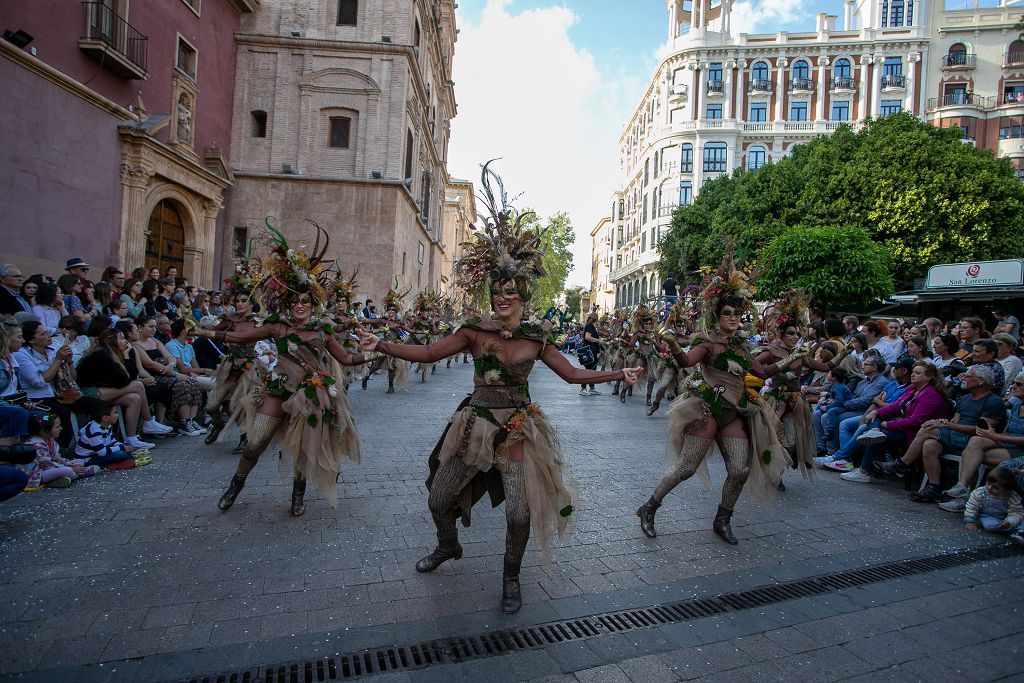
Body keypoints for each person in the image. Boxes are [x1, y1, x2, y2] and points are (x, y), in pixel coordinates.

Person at [356, 165, 641, 614]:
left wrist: (615, 376)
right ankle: (447, 545)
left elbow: (571, 375)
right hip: (474, 423)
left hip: (517, 429)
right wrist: (384, 345)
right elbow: (430, 353)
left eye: (510, 291)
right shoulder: (474, 332)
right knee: (438, 497)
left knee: (519, 513)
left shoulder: (535, 338)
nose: (502, 297)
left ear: (523, 295)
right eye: (496, 291)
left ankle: (510, 577)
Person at [191, 220, 369, 517]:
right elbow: (238, 336)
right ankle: (236, 484)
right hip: (278, 388)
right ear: (288, 303)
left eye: (306, 302)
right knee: (255, 444)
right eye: (295, 301)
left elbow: (348, 359)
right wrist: (205, 332)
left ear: (313, 305)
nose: (300, 306)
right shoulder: (278, 326)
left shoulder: (323, 331)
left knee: (303, 448)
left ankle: (297, 496)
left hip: (313, 394)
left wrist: (375, 352)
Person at [635, 252, 804, 546]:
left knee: (740, 470)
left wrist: (793, 357)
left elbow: (762, 373)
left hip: (735, 411)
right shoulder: (708, 342)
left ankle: (722, 520)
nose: (734, 318)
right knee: (686, 468)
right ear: (717, 316)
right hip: (707, 409)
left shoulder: (741, 346)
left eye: (738, 314)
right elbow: (687, 361)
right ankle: (649, 507)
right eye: (728, 313)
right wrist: (674, 343)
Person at [878, 365, 1006, 501]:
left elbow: (982, 431)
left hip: (975, 441)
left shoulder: (993, 402)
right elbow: (955, 421)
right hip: (956, 435)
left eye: (967, 376)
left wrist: (947, 425)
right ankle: (934, 488)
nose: (963, 378)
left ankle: (902, 464)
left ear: (981, 381)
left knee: (928, 429)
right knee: (929, 444)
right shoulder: (965, 399)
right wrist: (944, 422)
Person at [838, 362, 949, 483]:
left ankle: (860, 469)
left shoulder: (931, 395)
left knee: (877, 435)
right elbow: (895, 407)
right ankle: (872, 435)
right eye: (913, 372)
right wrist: (877, 412)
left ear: (928, 377)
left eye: (917, 373)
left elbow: (915, 422)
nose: (913, 375)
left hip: (916, 434)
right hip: (904, 426)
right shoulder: (912, 390)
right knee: (874, 421)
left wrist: (888, 425)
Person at [937, 375, 1024, 512]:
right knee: (975, 444)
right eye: (1014, 383)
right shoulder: (1018, 404)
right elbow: (1010, 432)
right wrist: (994, 435)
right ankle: (964, 489)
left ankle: (966, 498)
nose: (1014, 386)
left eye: (1019, 384)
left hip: (1020, 450)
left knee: (972, 457)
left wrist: (996, 436)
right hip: (1008, 444)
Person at [15, 320, 104, 449]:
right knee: (63, 413)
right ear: (31, 340)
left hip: (60, 393)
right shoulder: (22, 354)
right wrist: (58, 359)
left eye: (47, 332)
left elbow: (72, 378)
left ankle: (92, 441)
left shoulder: (52, 349)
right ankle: (62, 449)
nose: (48, 336)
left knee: (97, 405)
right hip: (38, 397)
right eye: (43, 334)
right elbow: (39, 382)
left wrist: (69, 362)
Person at [75, 328, 171, 446]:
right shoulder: (100, 354)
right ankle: (148, 421)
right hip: (89, 391)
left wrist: (126, 355)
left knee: (134, 398)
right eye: (121, 338)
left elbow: (128, 377)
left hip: (106, 389)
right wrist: (126, 357)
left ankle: (131, 438)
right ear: (112, 341)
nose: (126, 341)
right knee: (138, 385)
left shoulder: (115, 353)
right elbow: (121, 381)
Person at [133, 315, 207, 436]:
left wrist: (171, 365)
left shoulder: (155, 341)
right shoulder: (136, 345)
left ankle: (191, 420)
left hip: (168, 371)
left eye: (155, 327)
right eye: (150, 326)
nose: (154, 329)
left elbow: (169, 356)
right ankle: (183, 422)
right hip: (153, 375)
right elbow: (149, 364)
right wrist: (170, 371)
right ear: (140, 327)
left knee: (193, 383)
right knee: (182, 385)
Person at [21, 414, 99, 490]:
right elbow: (46, 464)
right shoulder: (37, 445)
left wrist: (70, 464)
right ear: (44, 431)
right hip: (36, 474)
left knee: (80, 462)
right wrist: (69, 467)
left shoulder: (50, 440)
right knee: (67, 470)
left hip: (49, 469)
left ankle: (57, 480)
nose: (61, 428)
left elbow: (57, 458)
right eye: (57, 427)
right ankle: (80, 473)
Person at [74, 402, 137, 469]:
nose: (117, 415)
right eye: (115, 413)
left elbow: (112, 441)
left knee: (126, 446)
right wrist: (121, 447)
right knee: (120, 454)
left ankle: (124, 460)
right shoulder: (94, 431)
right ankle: (109, 466)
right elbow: (102, 452)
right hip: (87, 459)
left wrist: (124, 446)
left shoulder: (107, 425)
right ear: (106, 418)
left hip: (98, 453)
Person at [962, 468, 1022, 534]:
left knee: (1020, 520)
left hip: (1006, 517)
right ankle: (1013, 530)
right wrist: (970, 521)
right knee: (990, 525)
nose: (989, 488)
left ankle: (1018, 531)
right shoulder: (980, 493)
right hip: (987, 516)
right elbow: (972, 506)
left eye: (995, 487)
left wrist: (1010, 521)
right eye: (988, 483)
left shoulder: (1011, 496)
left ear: (1007, 489)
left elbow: (1016, 512)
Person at [165, 319, 216, 391]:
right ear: (184, 331)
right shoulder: (171, 346)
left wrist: (201, 372)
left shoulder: (189, 346)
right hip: (182, 377)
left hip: (193, 375)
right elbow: (183, 369)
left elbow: (196, 366)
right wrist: (204, 370)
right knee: (217, 385)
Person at [580, 313, 603, 395]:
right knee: (589, 369)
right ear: (595, 319)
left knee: (592, 369)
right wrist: (598, 340)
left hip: (592, 349)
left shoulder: (591, 326)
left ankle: (592, 387)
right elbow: (587, 337)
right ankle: (583, 388)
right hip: (589, 350)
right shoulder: (590, 326)